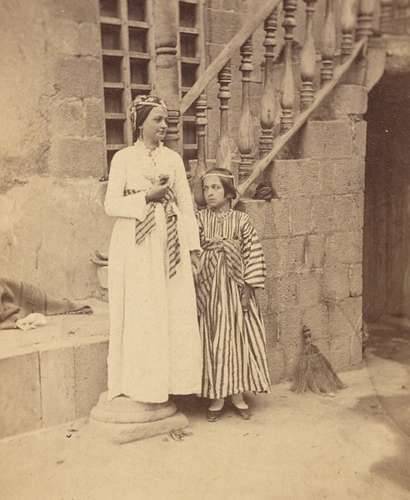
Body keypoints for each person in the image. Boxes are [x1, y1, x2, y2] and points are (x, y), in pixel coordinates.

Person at [104, 95, 202, 404]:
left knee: (171, 307)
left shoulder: (173, 159)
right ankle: (140, 384)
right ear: (140, 123)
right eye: (158, 120)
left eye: (166, 120)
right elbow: (110, 205)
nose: (164, 125)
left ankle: (171, 382)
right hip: (134, 241)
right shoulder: (123, 158)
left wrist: (193, 249)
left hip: (168, 241)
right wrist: (147, 196)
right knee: (142, 309)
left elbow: (186, 205)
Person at [194, 168, 271, 421]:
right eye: (206, 189)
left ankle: (237, 394)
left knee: (236, 337)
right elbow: (192, 251)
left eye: (215, 188)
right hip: (209, 289)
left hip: (235, 289)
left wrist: (248, 288)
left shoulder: (241, 221)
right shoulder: (199, 220)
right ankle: (216, 396)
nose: (210, 193)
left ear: (228, 193)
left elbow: (253, 254)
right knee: (213, 336)